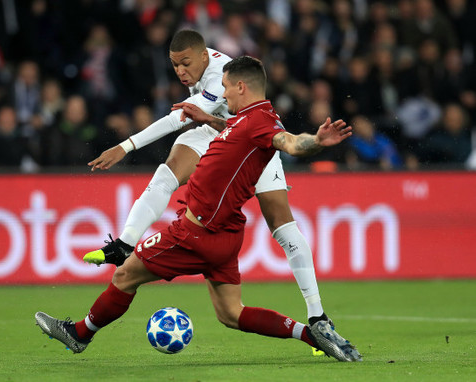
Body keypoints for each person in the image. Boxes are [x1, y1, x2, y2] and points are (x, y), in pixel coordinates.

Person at [35, 56, 361, 362]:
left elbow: (289, 142)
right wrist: (210, 119)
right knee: (231, 314)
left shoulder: (262, 122)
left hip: (195, 233)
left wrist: (315, 142)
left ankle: (79, 334)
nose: (223, 92)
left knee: (124, 275)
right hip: (226, 234)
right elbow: (241, 135)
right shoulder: (247, 120)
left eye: (226, 87)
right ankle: (311, 335)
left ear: (241, 87)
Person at [85, 30, 332, 330]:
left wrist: (126, 146)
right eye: (174, 65)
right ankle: (125, 244)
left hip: (253, 141)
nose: (180, 72)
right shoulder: (204, 65)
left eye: (185, 64)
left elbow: (178, 119)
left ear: (203, 56)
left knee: (282, 225)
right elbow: (209, 119)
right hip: (216, 130)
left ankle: (317, 314)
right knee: (167, 172)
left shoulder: (219, 77)